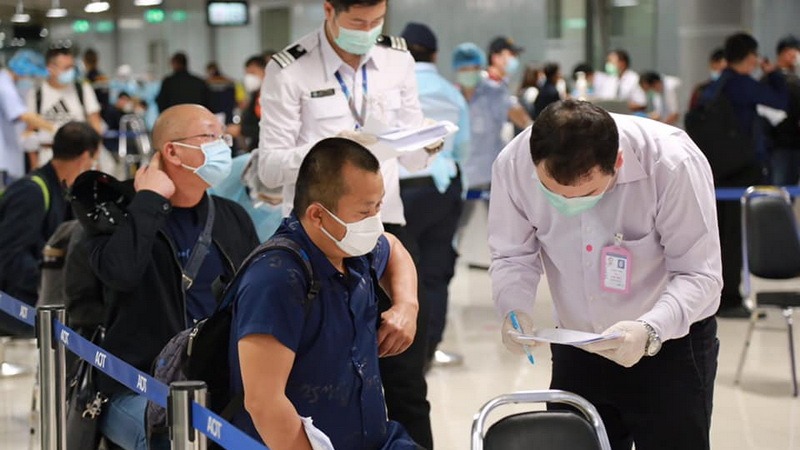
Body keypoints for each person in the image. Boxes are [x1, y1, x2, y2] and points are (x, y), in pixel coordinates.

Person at [247, 1, 436, 446]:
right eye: (357, 23)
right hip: (320, 238)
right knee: (323, 377)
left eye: (376, 21)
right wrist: (331, 148)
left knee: (407, 377)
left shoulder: (398, 59)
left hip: (383, 226)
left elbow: (411, 150)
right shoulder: (290, 69)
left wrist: (427, 140)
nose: (367, 31)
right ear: (329, 11)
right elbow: (270, 167)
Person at [490, 99, 722, 450]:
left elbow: (699, 274)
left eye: (587, 193)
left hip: (669, 346)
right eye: (552, 192)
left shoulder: (672, 162)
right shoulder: (513, 163)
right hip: (577, 342)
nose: (567, 203)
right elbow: (512, 255)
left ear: (618, 162)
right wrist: (513, 309)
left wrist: (649, 330)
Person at [84, 104, 259, 449]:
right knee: (174, 439)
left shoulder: (231, 216)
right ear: (173, 152)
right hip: (137, 383)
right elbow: (119, 273)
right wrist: (149, 200)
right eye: (210, 137)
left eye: (222, 137)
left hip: (217, 381)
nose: (221, 146)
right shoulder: (117, 210)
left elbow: (255, 293)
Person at [232, 137, 421, 449]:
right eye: (364, 211)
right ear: (317, 215)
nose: (374, 220)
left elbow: (394, 248)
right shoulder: (276, 279)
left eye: (378, 206)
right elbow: (263, 403)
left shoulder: (353, 250)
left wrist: (406, 306)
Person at [701, 32, 788, 318]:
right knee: (734, 237)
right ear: (751, 56)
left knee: (719, 237)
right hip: (740, 172)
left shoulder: (715, 86)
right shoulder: (743, 85)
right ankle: (730, 299)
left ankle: (719, 297)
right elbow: (780, 101)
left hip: (717, 170)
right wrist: (773, 74)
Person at [399, 22, 470, 367]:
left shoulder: (394, 87)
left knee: (395, 270)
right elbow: (464, 145)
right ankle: (429, 348)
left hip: (401, 190)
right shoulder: (451, 91)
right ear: (436, 54)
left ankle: (401, 350)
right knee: (436, 270)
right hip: (443, 188)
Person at [0, 122, 99, 336]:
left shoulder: (61, 191)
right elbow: (10, 256)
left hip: (40, 309)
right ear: (84, 158)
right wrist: (52, 286)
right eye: (93, 160)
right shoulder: (32, 192)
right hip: (19, 313)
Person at [26, 46, 103, 169]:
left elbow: (96, 126)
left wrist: (95, 160)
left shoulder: (82, 89)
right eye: (66, 68)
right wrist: (34, 165)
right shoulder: (36, 94)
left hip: (80, 159)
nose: (71, 71)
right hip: (48, 158)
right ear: (50, 68)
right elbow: (30, 131)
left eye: (72, 66)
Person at [1, 49, 56, 186]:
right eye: (32, 75)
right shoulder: (4, 86)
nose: (32, 79)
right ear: (23, 70)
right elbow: (23, 115)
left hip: (11, 154)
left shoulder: (10, 84)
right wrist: (54, 128)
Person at [769, 35, 800, 185]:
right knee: (778, 188)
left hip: (794, 143)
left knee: (791, 187)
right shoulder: (772, 78)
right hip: (778, 145)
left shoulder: (795, 79)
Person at [240, 55, 267, 152]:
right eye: (247, 73)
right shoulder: (255, 95)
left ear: (265, 72)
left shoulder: (268, 96)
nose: (249, 77)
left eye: (253, 73)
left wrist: (241, 130)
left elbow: (267, 128)